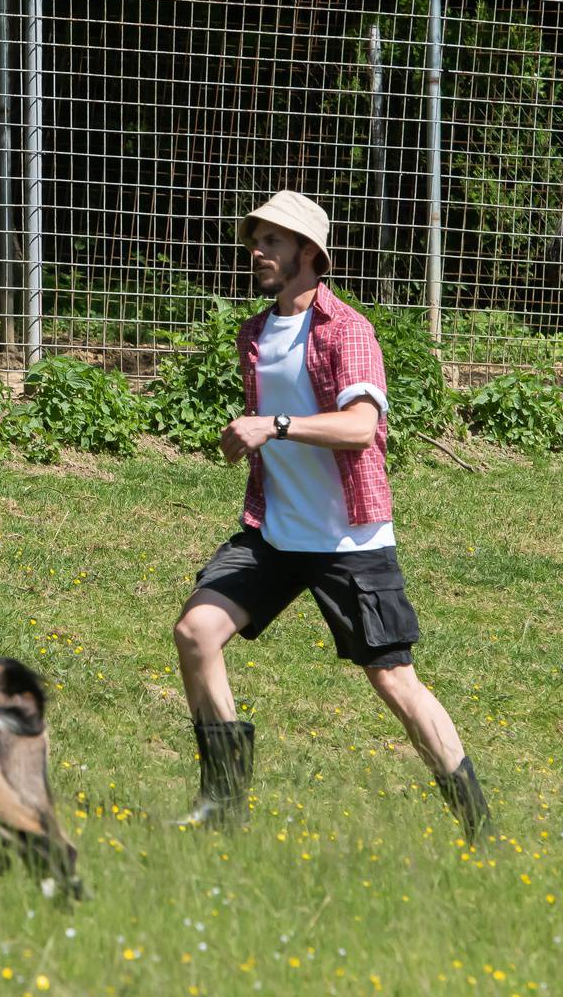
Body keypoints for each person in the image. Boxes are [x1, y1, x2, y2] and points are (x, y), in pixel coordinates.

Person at [171, 190, 491, 840]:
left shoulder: (347, 329)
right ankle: (224, 801)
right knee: (196, 632)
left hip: (350, 535)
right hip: (274, 532)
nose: (258, 250)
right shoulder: (254, 335)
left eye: (273, 241)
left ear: (309, 254)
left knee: (397, 682)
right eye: (256, 239)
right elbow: (273, 427)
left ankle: (479, 826)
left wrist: (274, 424)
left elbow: (360, 426)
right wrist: (249, 438)